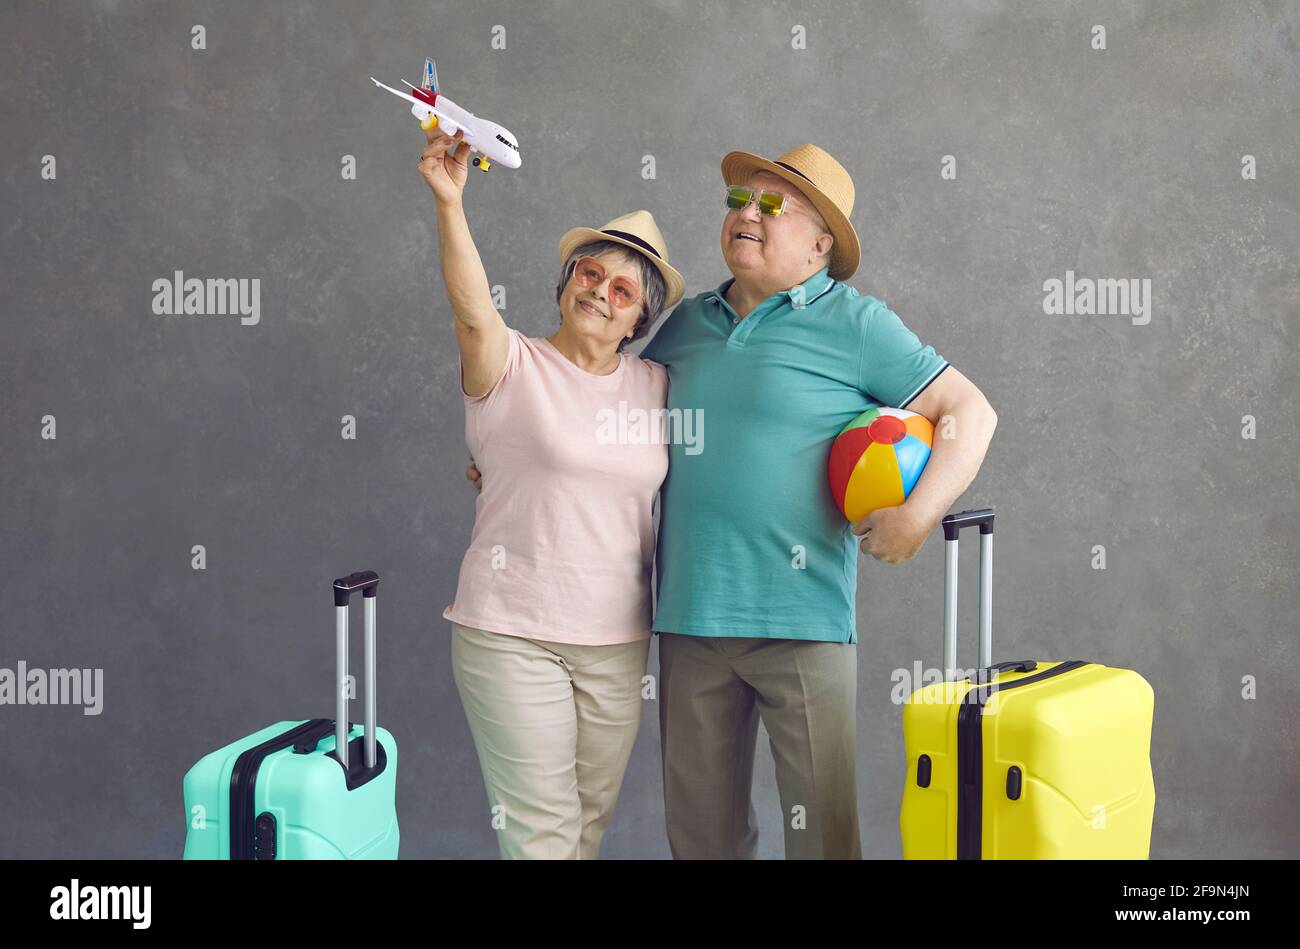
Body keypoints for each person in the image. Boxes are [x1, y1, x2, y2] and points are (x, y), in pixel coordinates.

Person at [420, 125, 685, 859]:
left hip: (618, 641)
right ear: (566, 282)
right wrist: (450, 202)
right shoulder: (509, 364)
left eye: (623, 289)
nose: (600, 291)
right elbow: (473, 307)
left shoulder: (660, 387)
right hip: (512, 634)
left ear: (641, 319)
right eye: (588, 274)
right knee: (542, 838)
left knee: (583, 832)